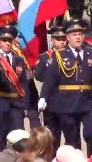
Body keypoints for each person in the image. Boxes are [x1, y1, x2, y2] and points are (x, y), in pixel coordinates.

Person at [38, 19, 92, 157]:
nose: (78, 37)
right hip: (67, 103)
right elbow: (50, 79)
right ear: (67, 37)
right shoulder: (59, 55)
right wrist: (43, 97)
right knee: (72, 139)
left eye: (80, 34)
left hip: (88, 102)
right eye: (74, 34)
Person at [0, 25, 27, 151]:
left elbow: (24, 82)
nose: (7, 44)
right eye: (4, 41)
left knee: (19, 137)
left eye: (9, 41)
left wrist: (25, 103)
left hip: (16, 103)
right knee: (0, 137)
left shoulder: (19, 59)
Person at [35, 26, 68, 156]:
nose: (62, 42)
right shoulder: (45, 57)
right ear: (52, 40)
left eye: (63, 39)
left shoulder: (72, 55)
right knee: (52, 135)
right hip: (51, 98)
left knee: (70, 133)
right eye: (58, 39)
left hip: (68, 99)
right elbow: (38, 74)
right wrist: (53, 75)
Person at [11, 37, 41, 129]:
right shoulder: (2, 51)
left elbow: (29, 63)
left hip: (28, 85)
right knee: (18, 120)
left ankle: (37, 138)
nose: (17, 38)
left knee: (33, 114)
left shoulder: (20, 48)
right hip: (16, 88)